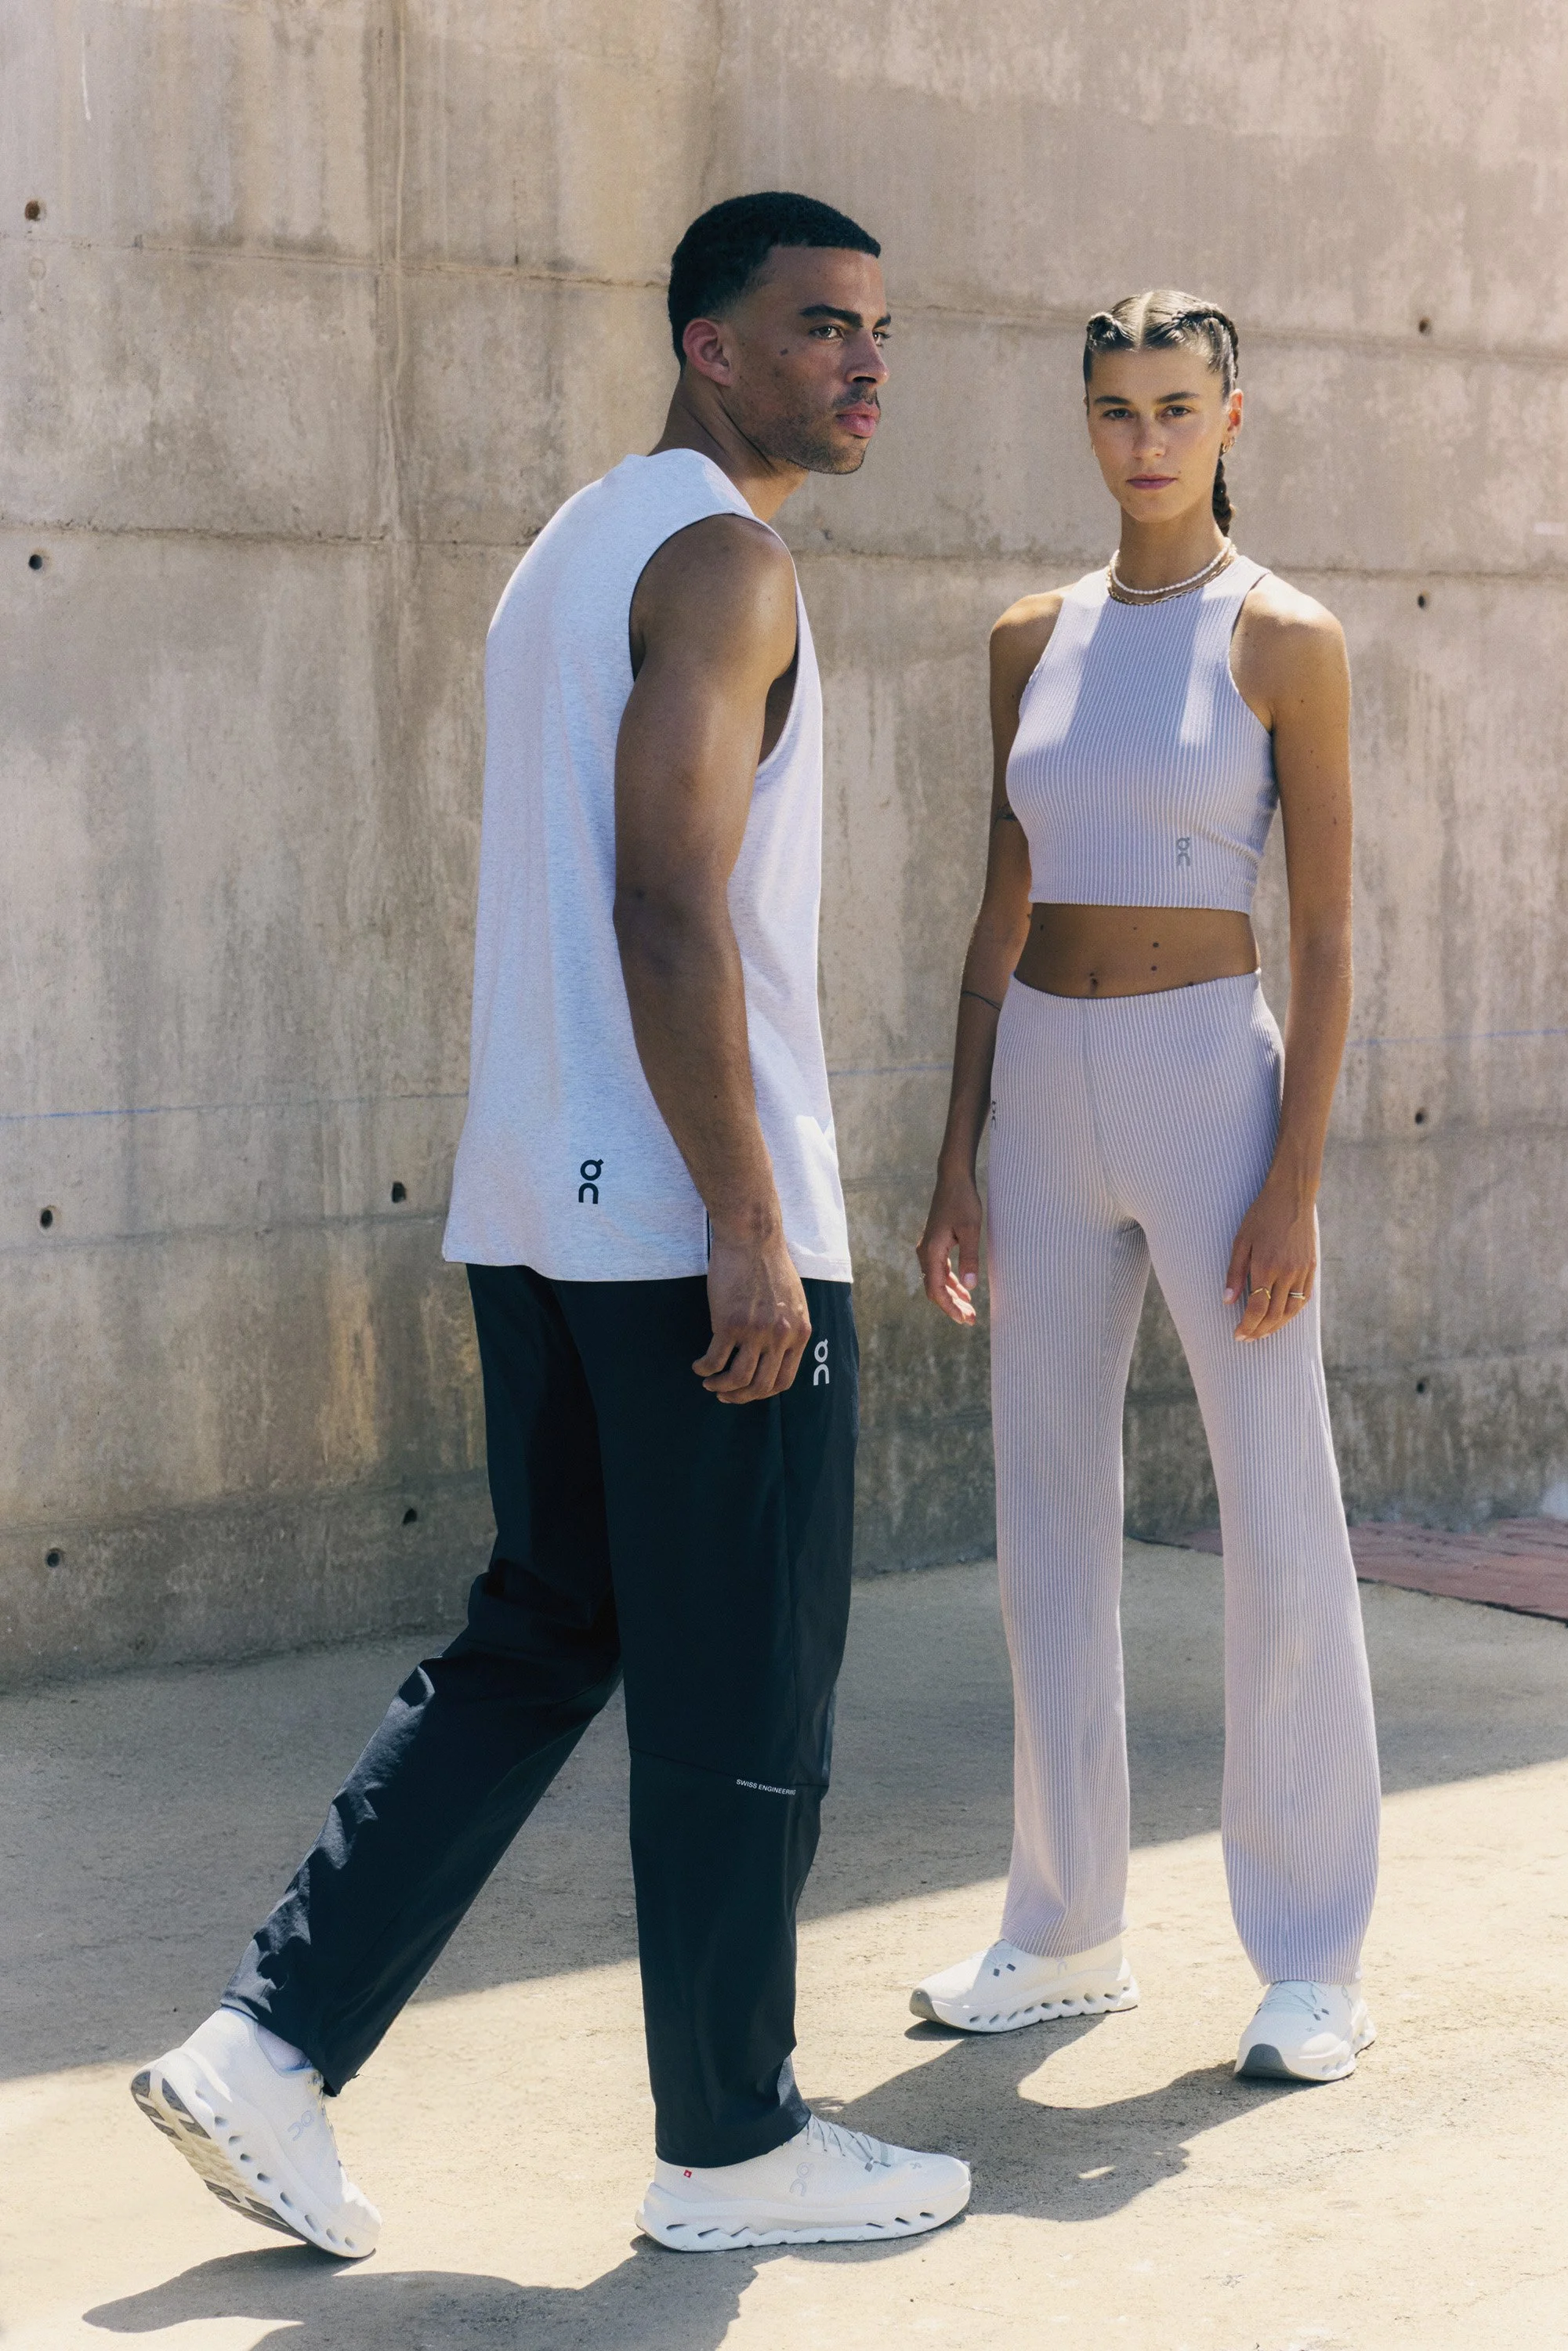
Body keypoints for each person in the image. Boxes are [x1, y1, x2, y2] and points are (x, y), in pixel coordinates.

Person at [131, 191, 969, 2256]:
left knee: (547, 1634)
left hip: (548, 1193)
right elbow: (666, 901)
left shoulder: (569, 552)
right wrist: (751, 1225)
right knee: (745, 1685)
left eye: (878, 328)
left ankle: (270, 2045)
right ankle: (734, 2142)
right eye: (816, 326)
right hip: (682, 1214)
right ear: (709, 342)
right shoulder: (725, 563)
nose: (862, 361)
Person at [911, 290, 1382, 2085]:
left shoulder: (1287, 640)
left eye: (1176, 406)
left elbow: (1329, 932)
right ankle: (1060, 1924)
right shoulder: (1028, 635)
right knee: (1042, 1508)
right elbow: (996, 905)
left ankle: (1314, 1950)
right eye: (1113, 409)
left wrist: (1297, 1176)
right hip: (1040, 1081)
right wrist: (954, 1146)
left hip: (1208, 1081)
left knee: (1278, 1506)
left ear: (1232, 419)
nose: (1143, 440)